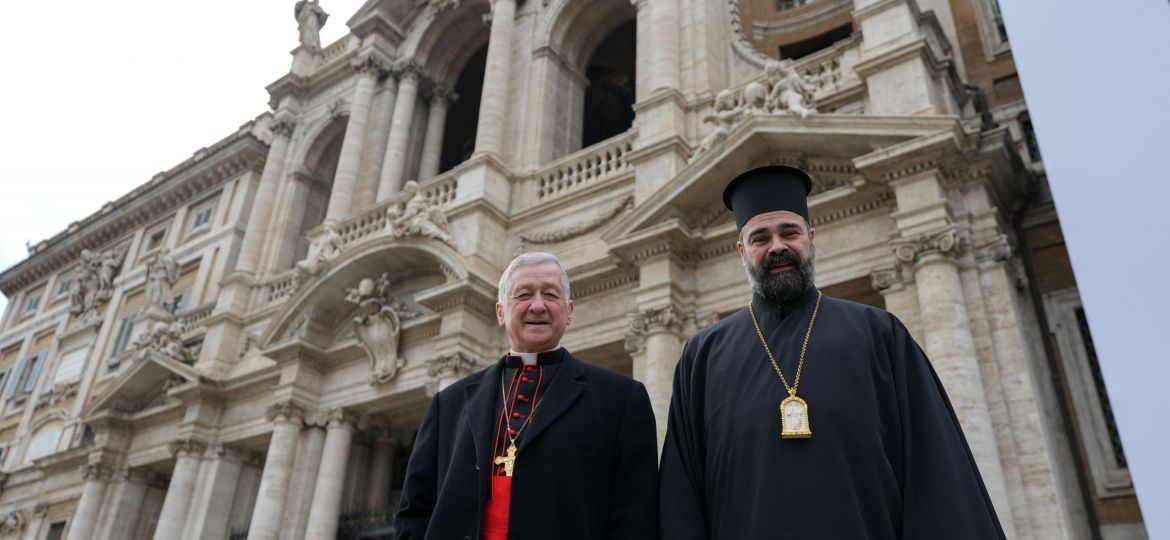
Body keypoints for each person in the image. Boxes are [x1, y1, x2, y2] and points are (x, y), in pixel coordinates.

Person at [658, 165, 1006, 539]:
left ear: (810, 236)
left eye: (788, 232)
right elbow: (683, 497)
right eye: (760, 238)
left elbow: (935, 468)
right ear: (742, 251)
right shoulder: (704, 356)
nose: (777, 247)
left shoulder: (880, 334)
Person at [396, 252, 658, 540]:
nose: (537, 305)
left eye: (551, 294)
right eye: (523, 295)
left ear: (569, 310)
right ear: (500, 312)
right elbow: (415, 512)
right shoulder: (449, 404)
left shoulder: (619, 399)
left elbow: (636, 517)